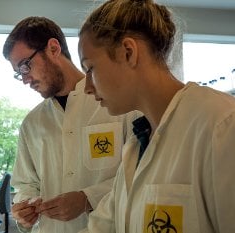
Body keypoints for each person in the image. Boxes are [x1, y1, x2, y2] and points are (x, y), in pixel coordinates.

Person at [77, 0, 235, 232]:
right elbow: (103, 226)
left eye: (90, 68)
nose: (87, 87)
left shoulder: (221, 124)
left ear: (128, 53)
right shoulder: (138, 144)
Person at [2, 16, 140, 233]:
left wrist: (87, 199)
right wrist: (24, 209)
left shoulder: (118, 107)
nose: (26, 79)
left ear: (53, 48)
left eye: (26, 66)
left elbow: (138, 176)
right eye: (19, 74)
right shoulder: (32, 124)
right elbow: (26, 184)